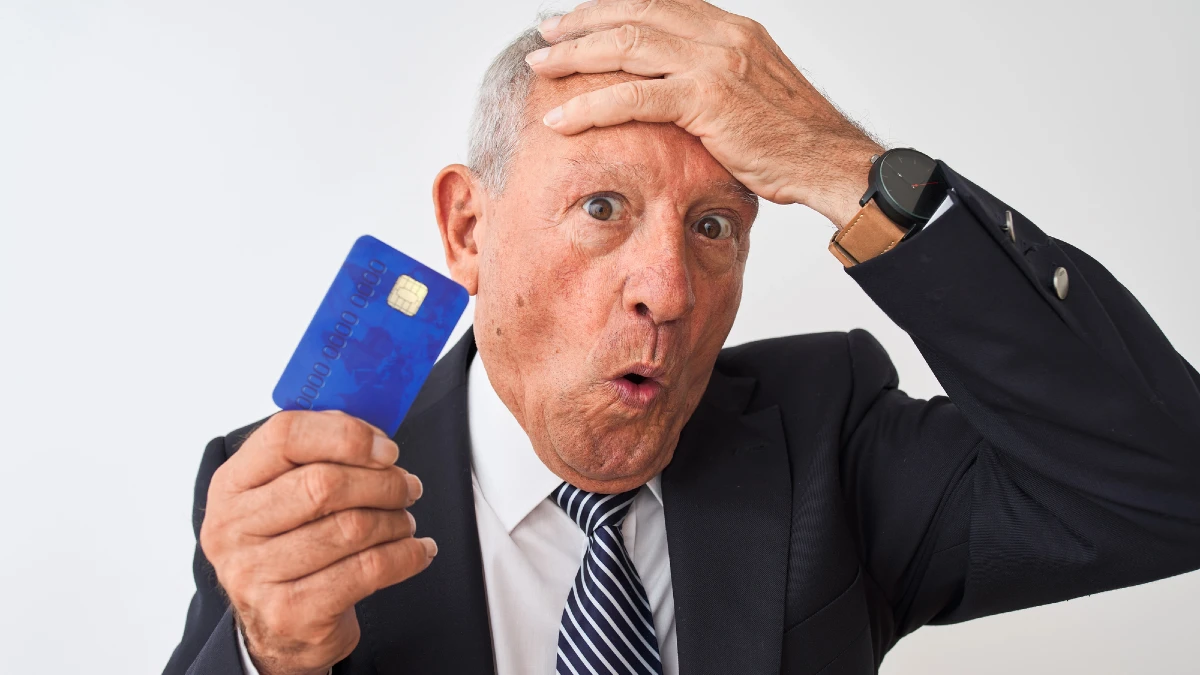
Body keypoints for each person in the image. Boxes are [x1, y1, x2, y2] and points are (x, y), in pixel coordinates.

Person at [164, 2, 1200, 674]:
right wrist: (267, 658)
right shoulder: (288, 505)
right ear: (468, 228)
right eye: (604, 207)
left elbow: (1167, 488)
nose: (668, 290)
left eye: (715, 228)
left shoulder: (825, 444)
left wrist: (846, 167)